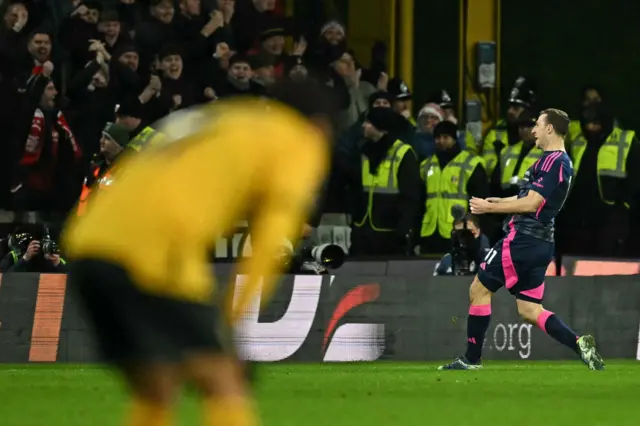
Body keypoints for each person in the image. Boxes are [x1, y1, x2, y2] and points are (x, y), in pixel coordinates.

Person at [61, 80, 336, 426]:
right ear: (320, 125)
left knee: (156, 385)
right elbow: (269, 245)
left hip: (88, 243)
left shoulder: (223, 117)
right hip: (155, 248)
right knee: (224, 377)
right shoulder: (297, 139)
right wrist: (232, 322)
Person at [438, 109, 605, 371]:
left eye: (538, 125)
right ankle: (578, 343)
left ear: (550, 129)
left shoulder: (556, 162)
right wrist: (498, 201)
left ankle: (471, 359)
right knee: (529, 310)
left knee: (478, 290)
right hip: (540, 243)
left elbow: (532, 203)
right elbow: (527, 199)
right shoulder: (550, 161)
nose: (533, 130)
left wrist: (488, 209)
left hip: (523, 239)